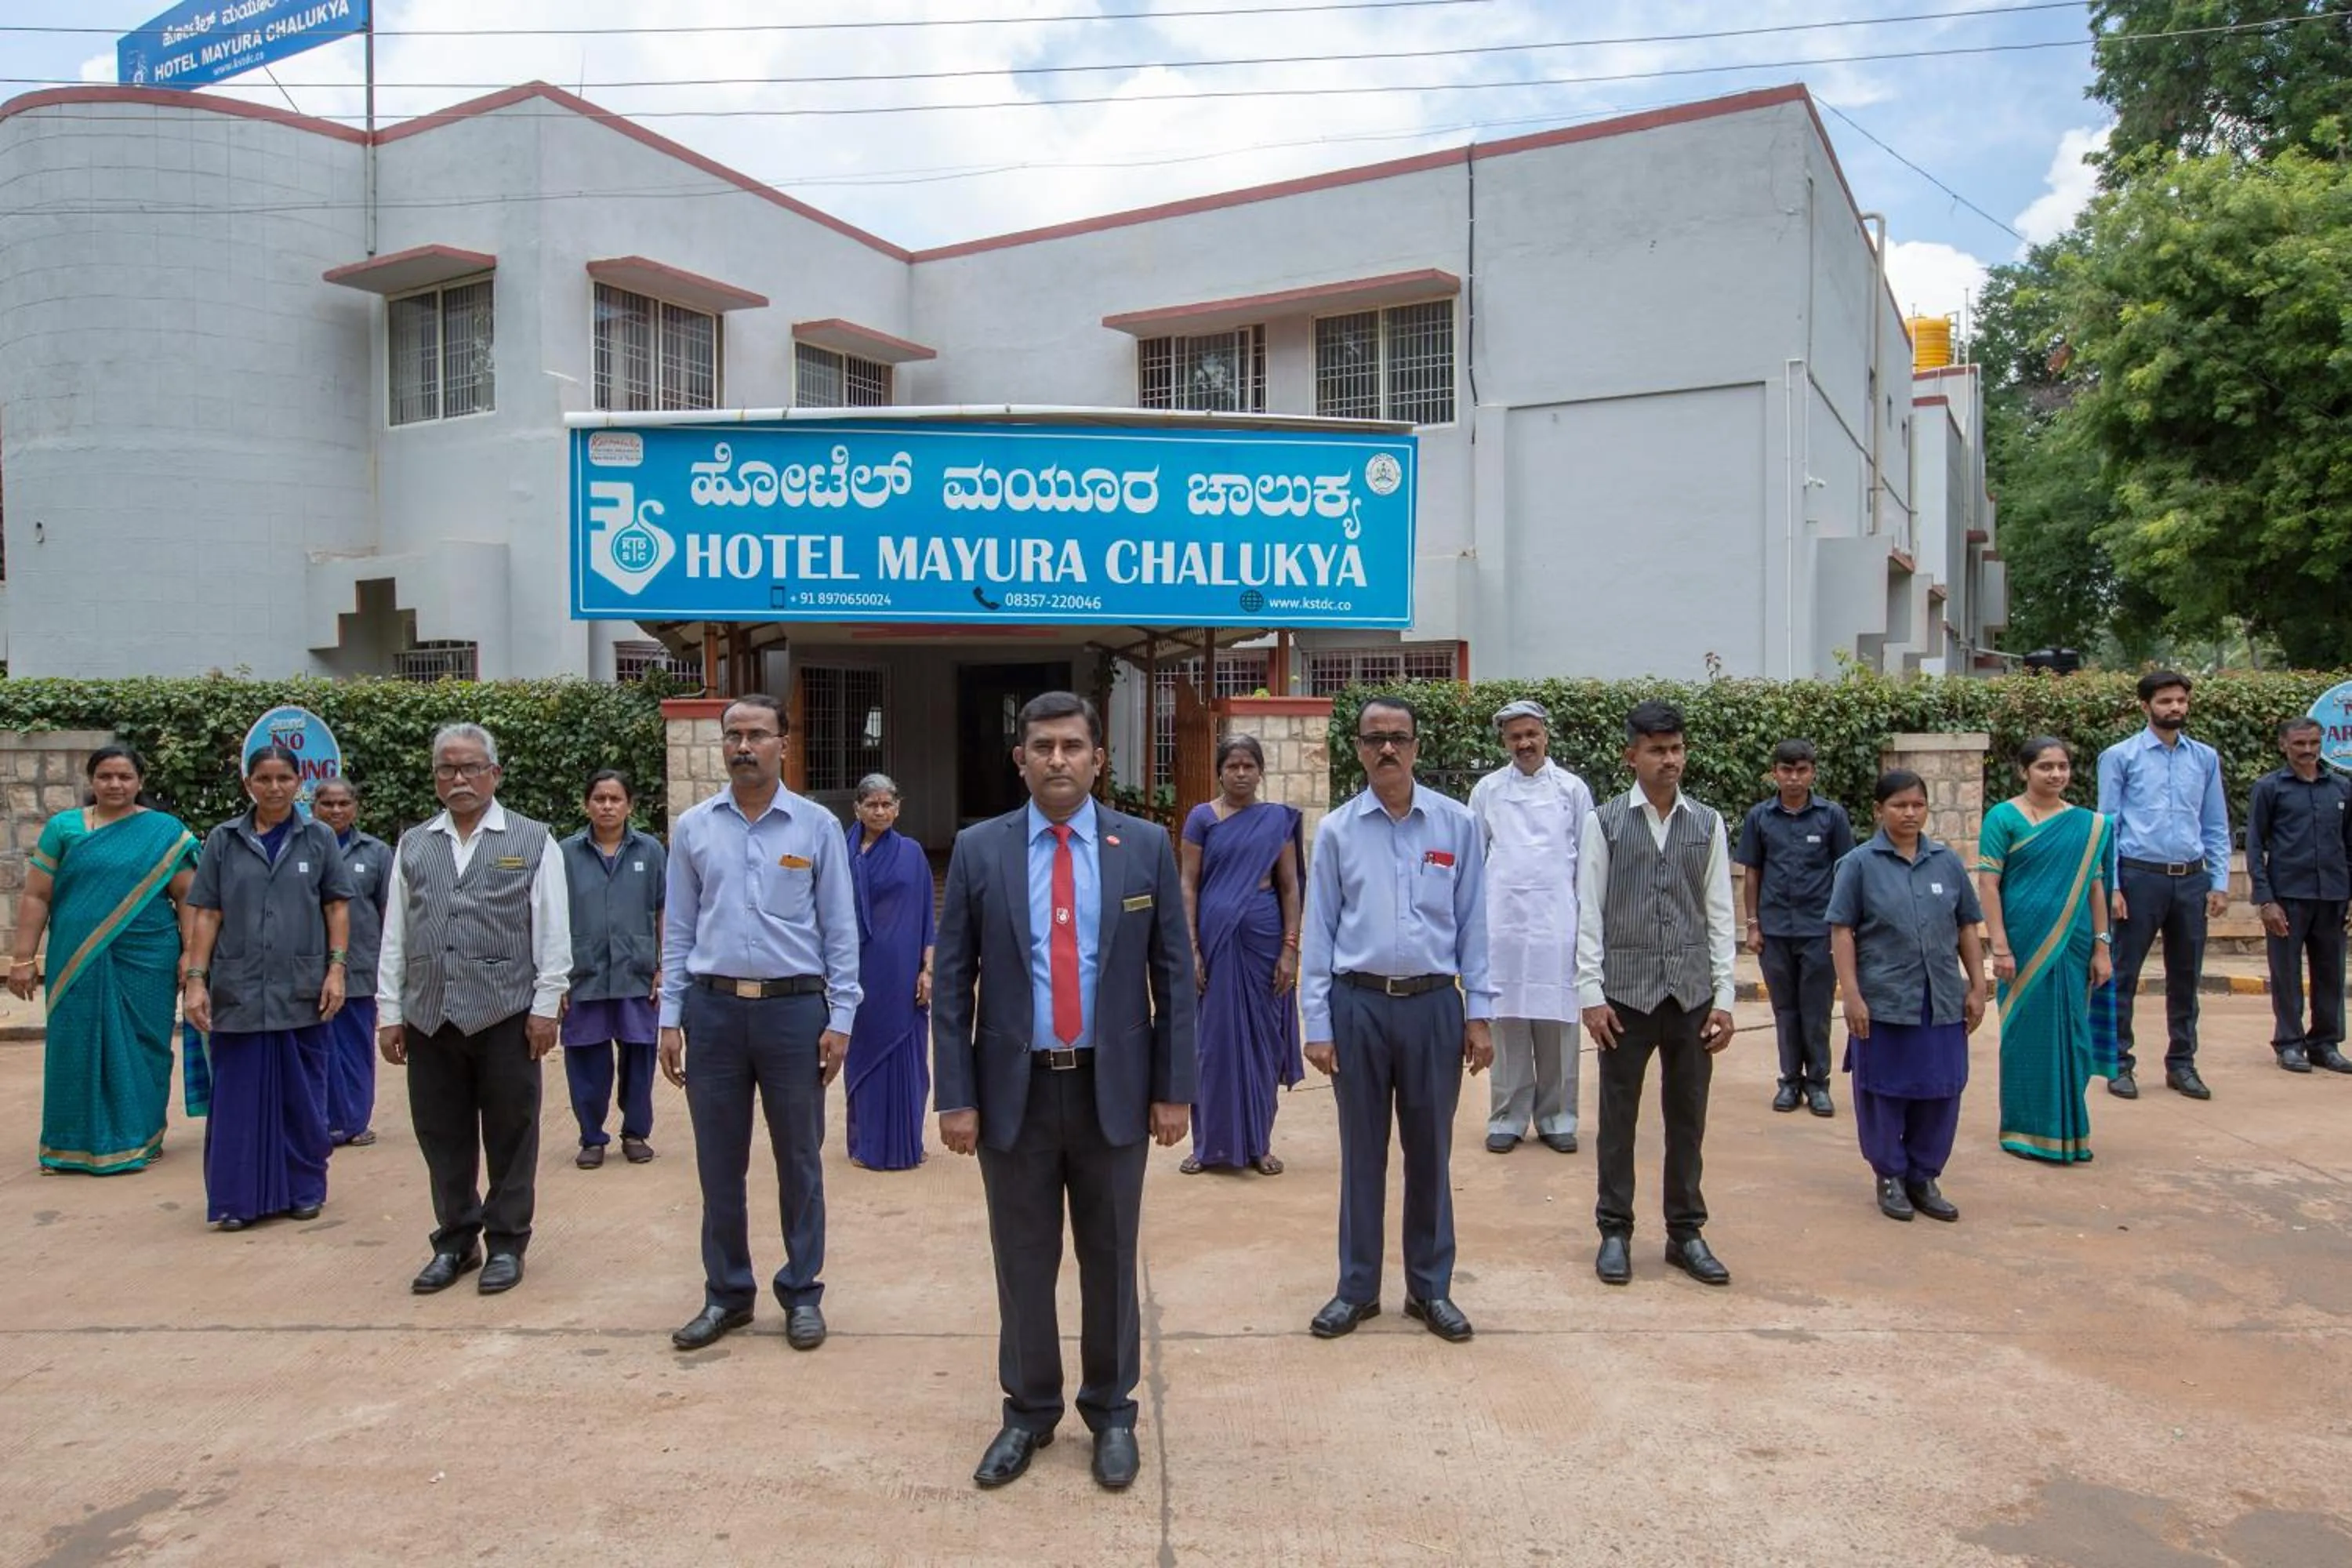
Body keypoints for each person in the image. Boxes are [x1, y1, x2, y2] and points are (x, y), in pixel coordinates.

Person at [932, 691, 1194, 1493]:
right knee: (1022, 1260)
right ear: (1021, 758)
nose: (1057, 759)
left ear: (1097, 757)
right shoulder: (981, 850)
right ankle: (1029, 1409)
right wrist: (956, 1094)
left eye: (1072, 745)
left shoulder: (1143, 845)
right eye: (1042, 745)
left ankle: (1112, 1411)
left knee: (1110, 1257)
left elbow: (1175, 977)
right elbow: (950, 983)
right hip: (1013, 1092)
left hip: (1113, 1089)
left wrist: (1174, 1087)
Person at [662, 695, 860, 1355]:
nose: (744, 746)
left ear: (784, 743)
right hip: (713, 1012)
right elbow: (678, 930)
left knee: (799, 1159)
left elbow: (839, 929)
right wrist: (671, 1016)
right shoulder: (693, 827)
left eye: (758, 735)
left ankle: (802, 1292)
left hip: (794, 1013)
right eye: (734, 735)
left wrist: (842, 1016)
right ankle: (727, 1294)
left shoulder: (815, 828)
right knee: (719, 1164)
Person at [1301, 695, 1495, 1344]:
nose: (1388, 748)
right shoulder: (1336, 831)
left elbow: (1474, 922)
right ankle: (1356, 1290)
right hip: (1357, 1006)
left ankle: (1429, 1290)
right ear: (1357, 748)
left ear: (1416, 745)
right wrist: (1317, 1023)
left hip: (1436, 1007)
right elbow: (1320, 930)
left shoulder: (1456, 825)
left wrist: (1481, 1013)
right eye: (1375, 738)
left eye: (1399, 737)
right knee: (1362, 1153)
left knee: (1430, 1152)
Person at [376, 724, 571, 1297]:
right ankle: (456, 1241)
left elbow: (553, 932)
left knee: (512, 1131)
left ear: (495, 774)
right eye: (447, 769)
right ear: (435, 777)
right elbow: (396, 934)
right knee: (441, 1133)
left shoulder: (534, 840)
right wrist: (391, 1010)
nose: (458, 779)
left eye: (470, 768)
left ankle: (507, 1242)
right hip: (429, 1015)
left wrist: (545, 1006)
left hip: (506, 1013)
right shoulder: (414, 844)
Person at [1578, 699, 1738, 1288]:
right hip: (1625, 996)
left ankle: (1685, 1232)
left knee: (1687, 1118)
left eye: (1676, 749)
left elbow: (1720, 913)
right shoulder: (1605, 822)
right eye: (1657, 750)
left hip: (1692, 994)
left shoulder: (1708, 823)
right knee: (1618, 1118)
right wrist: (1591, 994)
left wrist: (1724, 999)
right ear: (1632, 756)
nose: (1670, 760)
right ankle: (1614, 1231)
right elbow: (1588, 912)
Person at [182, 745, 354, 1231]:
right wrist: (196, 980)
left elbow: (336, 908)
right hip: (237, 990)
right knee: (237, 1100)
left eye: (283, 778)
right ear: (248, 784)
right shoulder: (223, 840)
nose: (274, 787)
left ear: (299, 782)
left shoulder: (319, 838)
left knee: (302, 1096)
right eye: (263, 778)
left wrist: (336, 968)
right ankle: (237, 1201)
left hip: (301, 989)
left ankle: (303, 1190)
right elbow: (208, 913)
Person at [9, 746, 198, 1174]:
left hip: (148, 957)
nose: (115, 784)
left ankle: (139, 1138)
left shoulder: (164, 831)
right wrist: (23, 958)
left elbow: (189, 896)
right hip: (76, 956)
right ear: (91, 782)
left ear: (140, 782)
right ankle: (69, 1145)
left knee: (145, 1046)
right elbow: (38, 895)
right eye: (106, 777)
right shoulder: (64, 828)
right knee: (73, 1043)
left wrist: (191, 953)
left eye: (125, 777)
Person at [1828, 770, 1987, 1223]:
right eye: (1899, 805)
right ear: (1879, 811)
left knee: (1941, 1090)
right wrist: (1852, 996)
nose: (1910, 813)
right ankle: (1890, 1176)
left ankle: (1924, 1176)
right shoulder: (1858, 864)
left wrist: (1976, 986)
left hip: (1940, 1000)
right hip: (1884, 1000)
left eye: (1917, 804)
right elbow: (1842, 932)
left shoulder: (1947, 862)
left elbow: (1966, 928)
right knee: (1884, 1091)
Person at [1976, 737, 2116, 1164]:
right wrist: (1999, 945)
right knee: (2023, 1035)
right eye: (2045, 767)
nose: (2056, 774)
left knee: (2072, 1036)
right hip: (2022, 943)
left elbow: (2096, 887)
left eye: (2063, 766)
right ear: (2024, 771)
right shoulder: (2003, 817)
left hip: (2072, 946)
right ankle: (2024, 1130)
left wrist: (2102, 946)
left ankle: (2070, 1132)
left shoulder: (2088, 825)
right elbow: (1988, 883)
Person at [2096, 670, 2230, 1102]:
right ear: (2146, 706)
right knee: (2123, 973)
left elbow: (2215, 824)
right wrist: (2112, 886)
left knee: (2186, 975)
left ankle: (2182, 1063)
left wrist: (2220, 882)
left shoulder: (2204, 758)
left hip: (2191, 880)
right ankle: (2119, 1063)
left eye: (2181, 701)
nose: (2175, 708)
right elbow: (2108, 825)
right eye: (2166, 701)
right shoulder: (2120, 757)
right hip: (2138, 878)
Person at [1466, 699, 1592, 1155]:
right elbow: (1472, 858)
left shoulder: (1572, 790)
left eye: (1531, 734)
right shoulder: (1488, 791)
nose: (1525, 743)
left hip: (1558, 924)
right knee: (1509, 1021)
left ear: (1545, 736)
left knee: (1558, 1024)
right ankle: (1508, 1117)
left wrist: (1586, 925)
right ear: (1504, 742)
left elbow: (1588, 863)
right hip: (1503, 924)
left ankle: (1558, 1117)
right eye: (1515, 736)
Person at [1178, 734, 1303, 1174]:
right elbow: (1188, 884)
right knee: (1212, 1046)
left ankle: (1259, 1144)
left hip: (1265, 945)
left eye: (1249, 765)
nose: (1241, 774)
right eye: (1233, 766)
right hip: (1214, 945)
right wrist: (1190, 948)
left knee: (1263, 1044)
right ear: (1219, 771)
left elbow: (1290, 886)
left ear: (1261, 770)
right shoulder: (1201, 819)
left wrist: (1290, 949)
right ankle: (1207, 1145)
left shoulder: (1276, 821)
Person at [1735, 739, 1856, 1118]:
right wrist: (1752, 925)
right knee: (1785, 1010)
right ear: (1775, 773)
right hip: (1774, 932)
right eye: (1786, 770)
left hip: (1819, 930)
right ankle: (1790, 1081)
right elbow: (1752, 872)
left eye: (1801, 770)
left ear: (1812, 773)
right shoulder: (1760, 817)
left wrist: (1843, 928)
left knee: (1816, 1009)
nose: (1794, 778)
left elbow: (1846, 872)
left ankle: (1819, 1084)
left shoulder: (1831, 817)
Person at [559, 771, 666, 1167]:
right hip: (582, 972)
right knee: (585, 1057)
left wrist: (664, 966)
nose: (607, 806)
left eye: (615, 799)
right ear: (587, 804)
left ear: (630, 806)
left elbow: (663, 909)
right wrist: (555, 977)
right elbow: (552, 916)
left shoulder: (650, 851)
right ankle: (592, 1137)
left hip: (636, 972)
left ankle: (636, 1133)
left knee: (640, 1055)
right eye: (599, 798)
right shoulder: (565, 853)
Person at [2245, 717, 2352, 1074]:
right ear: (2283, 746)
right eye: (2299, 744)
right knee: (2286, 973)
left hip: (2333, 896)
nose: (2307, 751)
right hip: (2287, 897)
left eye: (2313, 743)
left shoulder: (2341, 788)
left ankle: (2325, 1043)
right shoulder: (2269, 788)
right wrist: (2265, 899)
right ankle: (2289, 1044)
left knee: (2331, 972)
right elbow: (2255, 844)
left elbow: (2350, 845)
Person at [843, 772, 934, 1171]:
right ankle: (867, 1143)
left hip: (902, 972)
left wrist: (927, 970)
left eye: (887, 804)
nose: (880, 811)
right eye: (872, 804)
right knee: (862, 1050)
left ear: (898, 808)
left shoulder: (912, 853)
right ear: (857, 809)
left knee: (906, 1055)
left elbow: (927, 915)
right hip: (856, 970)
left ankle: (906, 1141)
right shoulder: (840, 851)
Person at [310, 779, 390, 1149]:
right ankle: (319, 1120)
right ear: (314, 807)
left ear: (356, 807)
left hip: (359, 966)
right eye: (327, 803)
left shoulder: (375, 853)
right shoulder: (303, 847)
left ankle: (355, 1122)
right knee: (316, 1046)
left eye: (344, 803)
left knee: (355, 1047)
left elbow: (389, 912)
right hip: (309, 969)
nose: (336, 810)